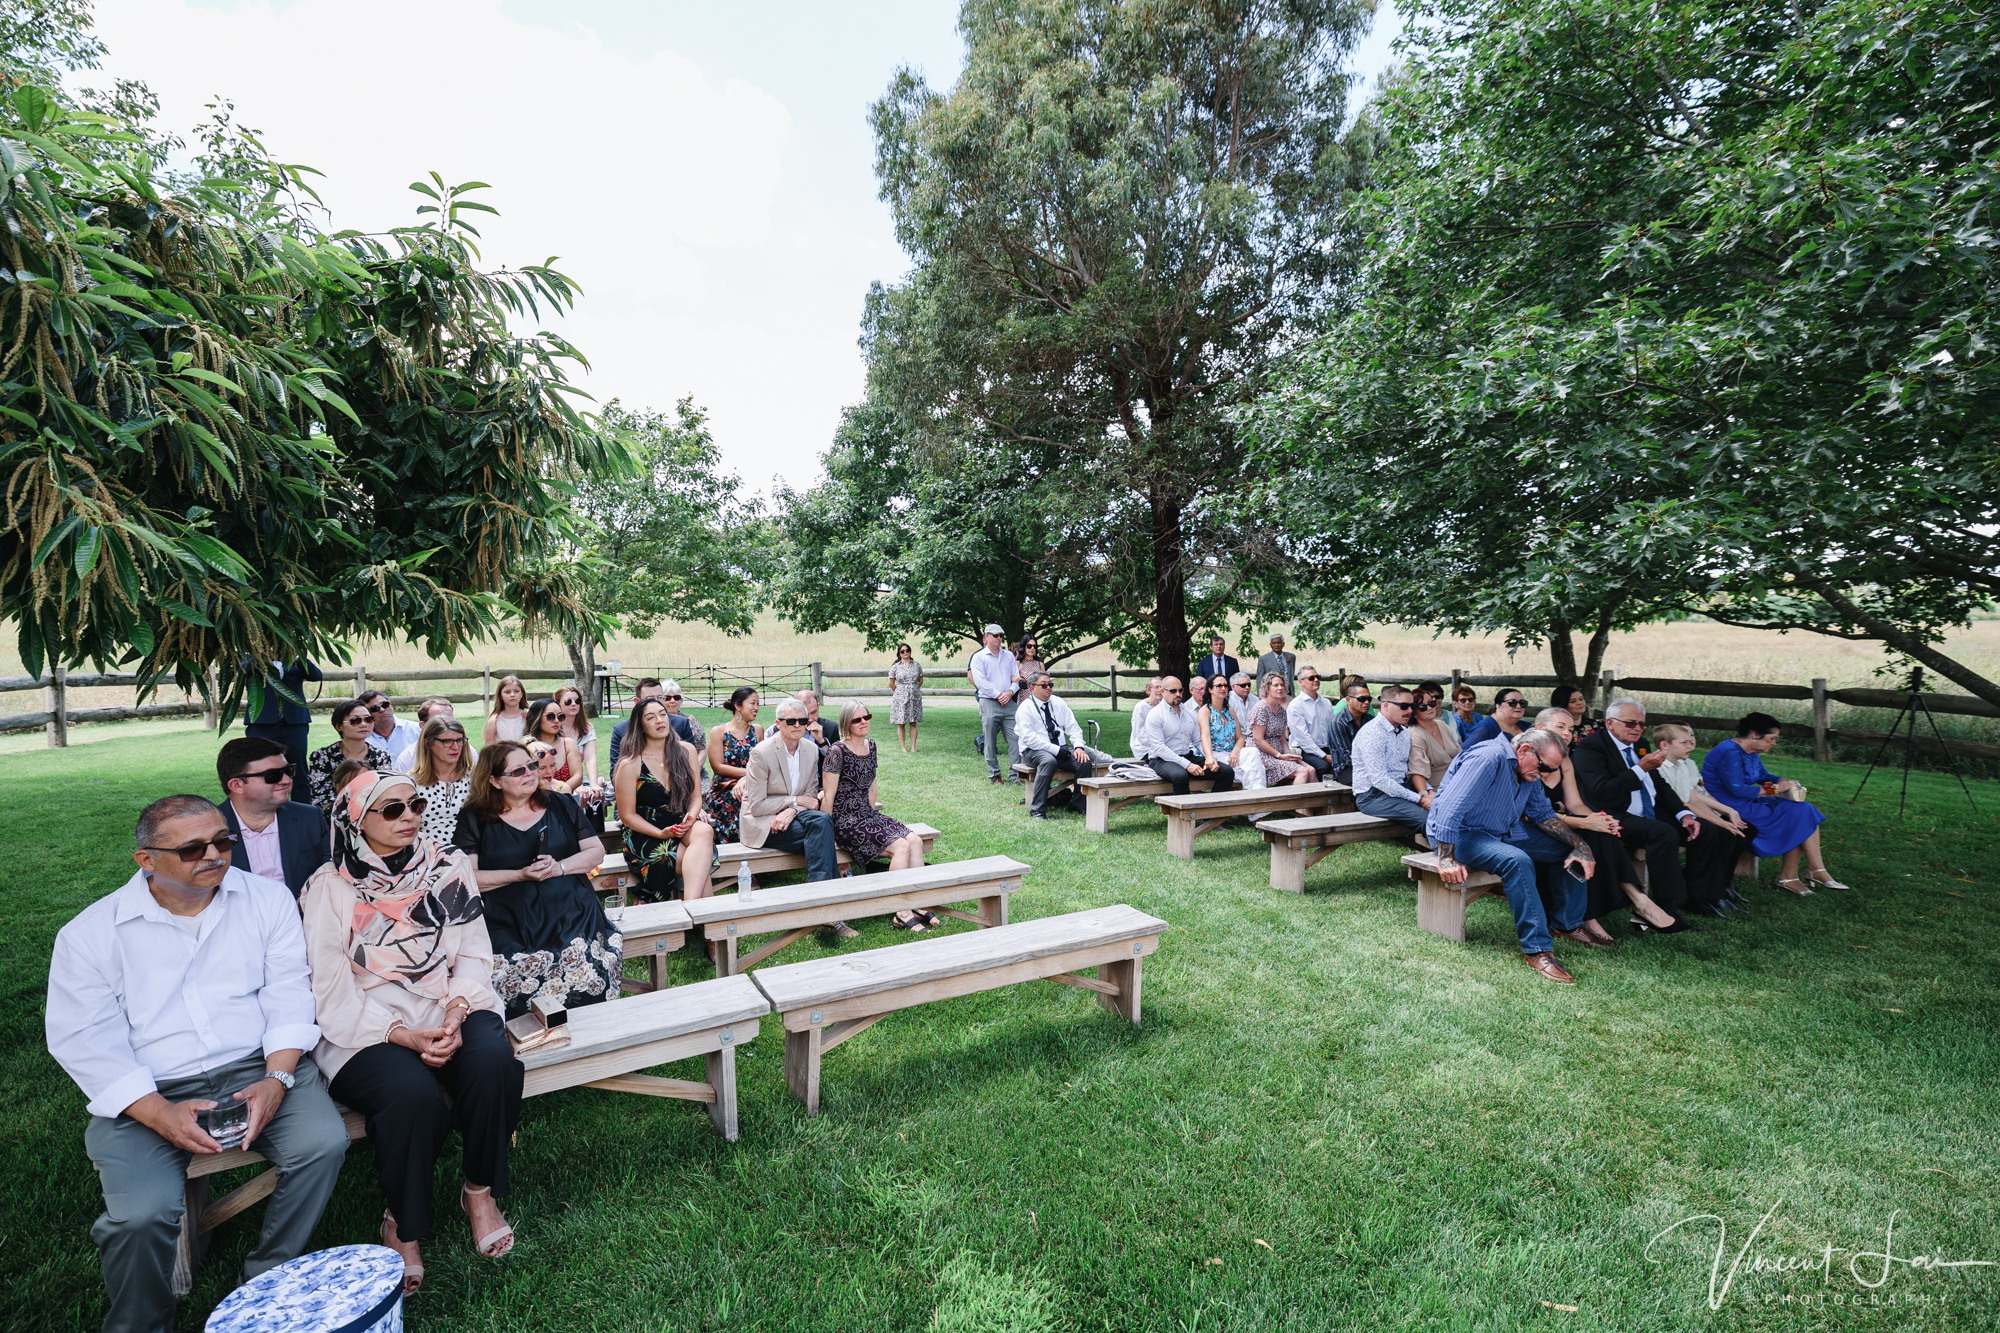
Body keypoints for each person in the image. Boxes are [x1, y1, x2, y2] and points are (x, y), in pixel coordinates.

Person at [47, 795, 349, 1332]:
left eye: (222, 840)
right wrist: (159, 1113)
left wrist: (277, 1079)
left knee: (322, 1143)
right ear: (147, 860)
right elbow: (84, 1040)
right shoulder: (90, 935)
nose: (213, 854)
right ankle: (142, 1324)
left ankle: (263, 1276)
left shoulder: (266, 898)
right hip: (146, 1089)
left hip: (259, 1064)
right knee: (141, 1215)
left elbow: (288, 992)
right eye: (192, 848)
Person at [301, 772, 521, 1291]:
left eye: (415, 804)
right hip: (364, 1025)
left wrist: (457, 1008)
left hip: (449, 1003)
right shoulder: (329, 889)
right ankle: (402, 1218)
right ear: (355, 820)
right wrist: (403, 1034)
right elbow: (331, 993)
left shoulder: (447, 867)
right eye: (392, 810)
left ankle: (479, 1191)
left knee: (495, 1064)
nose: (410, 817)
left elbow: (473, 950)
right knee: (412, 1096)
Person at [453, 740, 617, 1017]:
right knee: (508, 974)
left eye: (531, 766)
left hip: (569, 906)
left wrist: (559, 867)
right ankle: (526, 1042)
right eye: (517, 771)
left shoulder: (561, 803)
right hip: (506, 915)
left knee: (582, 966)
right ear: (494, 781)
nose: (530, 773)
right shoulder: (474, 818)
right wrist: (520, 875)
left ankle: (591, 1037)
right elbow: (469, 879)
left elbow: (595, 852)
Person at [1426, 730, 1597, 984]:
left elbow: (1541, 813)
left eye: (1552, 769)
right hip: (1460, 834)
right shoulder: (1487, 758)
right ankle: (1537, 950)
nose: (1546, 774)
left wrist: (1580, 844)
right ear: (1525, 749)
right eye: (1544, 767)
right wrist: (1447, 858)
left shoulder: (1528, 770)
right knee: (1516, 860)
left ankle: (1567, 924)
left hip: (1499, 831)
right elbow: (1450, 810)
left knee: (1566, 849)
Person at [1533, 708, 1686, 938]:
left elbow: (1575, 804)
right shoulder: (1527, 758)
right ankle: (1628, 905)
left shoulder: (1564, 759)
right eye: (1560, 727)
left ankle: (1622, 906)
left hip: (1561, 819)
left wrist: (1600, 819)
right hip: (1535, 826)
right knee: (1592, 835)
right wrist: (1586, 823)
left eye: (1571, 729)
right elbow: (1532, 814)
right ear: (1539, 729)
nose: (1567, 733)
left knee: (1604, 831)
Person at [1572, 697, 1712, 919]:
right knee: (1662, 833)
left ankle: (1702, 898)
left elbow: (1659, 784)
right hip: (1614, 814)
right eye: (1630, 723)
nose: (1637, 729)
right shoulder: (1590, 748)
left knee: (1704, 828)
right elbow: (1601, 790)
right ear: (1610, 723)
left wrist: (1684, 813)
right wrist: (1640, 769)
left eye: (1641, 724)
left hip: (1650, 811)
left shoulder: (1641, 744)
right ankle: (1666, 907)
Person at [1702, 712, 1848, 894]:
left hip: (1748, 801)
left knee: (1802, 809)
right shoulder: (1730, 752)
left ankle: (1807, 872)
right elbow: (1737, 789)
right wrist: (1776, 789)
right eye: (1771, 738)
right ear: (1755, 735)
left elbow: (1763, 776)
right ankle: (1802, 874)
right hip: (1728, 807)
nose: (1774, 743)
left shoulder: (1749, 750)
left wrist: (1784, 781)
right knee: (1797, 816)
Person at [820, 702, 930, 929]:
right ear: (845, 723)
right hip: (845, 821)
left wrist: (870, 815)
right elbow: (828, 797)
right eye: (857, 719)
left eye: (866, 717)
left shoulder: (871, 746)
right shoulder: (836, 752)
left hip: (866, 815)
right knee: (901, 847)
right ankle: (901, 911)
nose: (864, 722)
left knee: (915, 841)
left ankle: (919, 903)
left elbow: (872, 786)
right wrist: (827, 832)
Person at [615, 695, 716, 902]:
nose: (660, 721)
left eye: (663, 715)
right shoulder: (630, 764)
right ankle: (704, 923)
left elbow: (695, 798)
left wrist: (690, 820)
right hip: (646, 832)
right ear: (641, 726)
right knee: (699, 864)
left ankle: (690, 909)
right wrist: (659, 834)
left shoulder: (686, 750)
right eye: (651, 717)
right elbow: (627, 816)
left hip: (679, 823)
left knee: (704, 830)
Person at [740, 698, 843, 894]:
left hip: (797, 815)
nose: (798, 725)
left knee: (822, 822)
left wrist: (793, 809)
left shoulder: (811, 749)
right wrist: (796, 801)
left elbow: (811, 795)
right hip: (762, 821)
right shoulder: (761, 753)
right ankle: (826, 896)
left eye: (803, 721)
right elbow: (757, 806)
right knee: (822, 829)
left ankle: (821, 895)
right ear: (778, 724)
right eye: (791, 721)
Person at [1651, 723, 1755, 914]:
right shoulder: (1658, 768)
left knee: (1733, 832)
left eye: (1691, 740)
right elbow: (1680, 802)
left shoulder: (1681, 764)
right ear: (1665, 745)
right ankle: (1702, 898)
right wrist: (1720, 822)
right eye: (1684, 742)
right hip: (1667, 816)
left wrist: (1727, 812)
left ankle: (1718, 889)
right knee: (1716, 832)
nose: (1691, 745)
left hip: (1685, 813)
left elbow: (1693, 796)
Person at [217, 735, 331, 899]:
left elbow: (330, 874)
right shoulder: (208, 830)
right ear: (237, 785)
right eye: (273, 775)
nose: (286, 780)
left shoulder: (309, 818)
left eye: (288, 771)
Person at [1016, 673, 1114, 818]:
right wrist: (1056, 750)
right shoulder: (1025, 708)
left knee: (1083, 760)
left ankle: (1078, 805)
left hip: (1061, 747)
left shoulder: (1058, 702)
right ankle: (1037, 809)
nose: (1048, 688)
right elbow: (1030, 739)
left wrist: (1079, 747)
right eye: (1043, 685)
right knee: (1049, 761)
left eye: (1050, 684)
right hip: (1034, 750)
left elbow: (1073, 727)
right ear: (1032, 688)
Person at [1348, 686, 1432, 837]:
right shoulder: (1372, 733)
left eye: (1411, 706)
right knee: (1429, 820)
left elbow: (1408, 770)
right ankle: (1447, 857)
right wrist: (1420, 799)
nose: (1410, 711)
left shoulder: (1404, 732)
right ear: (1385, 705)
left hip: (1400, 788)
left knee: (1446, 809)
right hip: (1373, 796)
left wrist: (1429, 792)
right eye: (1404, 706)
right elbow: (1380, 781)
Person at [1140, 676, 1237, 797]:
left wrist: (1209, 758)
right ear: (1162, 691)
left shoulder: (1189, 713)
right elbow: (1159, 748)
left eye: (1180, 690)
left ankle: (1211, 810)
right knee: (1180, 776)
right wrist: (1187, 765)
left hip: (1186, 756)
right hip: (1161, 759)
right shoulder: (1155, 714)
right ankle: (1186, 815)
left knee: (1226, 771)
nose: (1178, 694)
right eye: (1173, 691)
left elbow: (1197, 740)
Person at [244, 657, 322, 783]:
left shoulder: (294, 659)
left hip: (294, 723)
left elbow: (315, 675)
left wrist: (296, 655)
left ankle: (301, 802)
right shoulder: (251, 657)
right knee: (259, 767)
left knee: (299, 770)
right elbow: (242, 670)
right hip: (262, 723)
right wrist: (261, 654)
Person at [1247, 671, 1316, 813]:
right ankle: (1300, 815)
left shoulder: (1282, 710)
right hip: (1261, 755)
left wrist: (1289, 755)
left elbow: (1282, 737)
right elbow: (1258, 740)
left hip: (1279, 753)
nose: (1280, 688)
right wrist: (1279, 756)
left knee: (1311, 770)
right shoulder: (1260, 708)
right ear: (1267, 688)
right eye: (1275, 685)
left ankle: (1317, 812)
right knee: (1302, 772)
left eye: (1282, 685)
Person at [308, 698, 393, 811]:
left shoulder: (381, 756)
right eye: (355, 720)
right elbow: (322, 799)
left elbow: (385, 792)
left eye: (368, 719)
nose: (363, 724)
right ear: (339, 726)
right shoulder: (321, 757)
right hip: (334, 816)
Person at [704, 686, 762, 842]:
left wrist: (746, 779)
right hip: (725, 786)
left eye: (758, 703)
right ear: (738, 705)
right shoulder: (719, 732)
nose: (756, 708)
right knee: (736, 799)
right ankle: (733, 845)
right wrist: (746, 774)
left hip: (752, 783)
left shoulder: (757, 731)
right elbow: (718, 767)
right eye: (752, 703)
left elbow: (763, 764)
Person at [411, 715, 475, 846]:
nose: (455, 747)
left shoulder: (476, 778)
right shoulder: (411, 783)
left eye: (459, 740)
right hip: (426, 852)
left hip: (470, 851)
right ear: (428, 743)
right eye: (447, 741)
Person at [969, 624, 1021, 783]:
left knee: (1016, 739)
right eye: (995, 635)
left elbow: (1016, 678)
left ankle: (1015, 775)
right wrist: (999, 695)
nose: (999, 638)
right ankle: (995, 775)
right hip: (989, 702)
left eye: (1000, 635)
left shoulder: (1009, 656)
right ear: (986, 637)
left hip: (1009, 703)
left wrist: (1010, 692)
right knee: (990, 741)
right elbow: (981, 682)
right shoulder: (978, 657)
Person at [1406, 684, 1462, 797]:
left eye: (1431, 703)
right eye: (1422, 707)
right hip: (1439, 789)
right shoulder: (1415, 735)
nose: (1430, 708)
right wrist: (1425, 795)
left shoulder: (1442, 726)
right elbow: (1417, 771)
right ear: (1413, 712)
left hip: (1459, 781)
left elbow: (1460, 756)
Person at [524, 698, 587, 796]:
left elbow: (577, 777)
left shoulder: (568, 744)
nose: (556, 721)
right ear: (537, 717)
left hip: (563, 798)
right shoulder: (525, 747)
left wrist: (558, 792)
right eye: (550, 716)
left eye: (560, 716)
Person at [1195, 674, 1247, 790]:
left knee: (1253, 756)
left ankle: (1257, 797)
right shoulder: (1205, 711)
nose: (1223, 689)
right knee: (1245, 770)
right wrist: (1209, 757)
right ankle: (1254, 799)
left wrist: (1236, 750)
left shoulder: (1230, 711)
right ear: (1210, 689)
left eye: (1225, 685)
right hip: (1215, 752)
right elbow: (1205, 736)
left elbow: (1240, 738)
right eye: (1218, 686)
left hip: (1232, 753)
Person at [1285, 667, 1338, 779]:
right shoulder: (1296, 706)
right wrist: (1324, 757)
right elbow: (1303, 739)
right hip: (1304, 749)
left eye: (1317, 677)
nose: (1316, 680)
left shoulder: (1326, 703)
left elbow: (1332, 730)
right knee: (1322, 767)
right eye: (1311, 678)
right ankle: (1320, 795)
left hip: (1325, 747)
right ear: (1301, 682)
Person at [392, 698, 466, 773]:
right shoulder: (407, 760)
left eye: (451, 719)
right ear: (423, 725)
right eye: (438, 721)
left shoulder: (466, 751)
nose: (447, 724)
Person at [552, 685, 601, 793]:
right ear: (557, 703)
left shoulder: (586, 728)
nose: (574, 704)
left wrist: (594, 784)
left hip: (578, 778)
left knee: (592, 794)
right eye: (567, 701)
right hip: (554, 778)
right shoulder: (552, 727)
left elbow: (590, 759)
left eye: (577, 700)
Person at [1326, 678, 1373, 786]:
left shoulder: (1370, 720)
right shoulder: (1338, 722)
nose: (1366, 702)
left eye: (1369, 699)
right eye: (1361, 699)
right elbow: (1348, 756)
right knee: (1372, 783)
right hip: (1346, 769)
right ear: (1348, 699)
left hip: (1370, 766)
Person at [359, 690, 422, 766]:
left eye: (385, 705)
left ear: (391, 705)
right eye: (375, 708)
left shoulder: (416, 730)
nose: (382, 710)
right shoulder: (361, 737)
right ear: (366, 713)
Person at [1459, 688, 1528, 747]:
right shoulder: (1484, 729)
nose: (1519, 706)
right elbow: (1463, 753)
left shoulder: (1526, 726)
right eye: (1512, 702)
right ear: (1498, 706)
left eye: (1522, 703)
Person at [890, 644, 925, 752]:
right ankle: (903, 747)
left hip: (914, 696)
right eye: (902, 651)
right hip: (900, 696)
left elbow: (921, 680)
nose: (905, 652)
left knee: (913, 722)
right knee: (901, 723)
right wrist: (900, 692)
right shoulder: (895, 667)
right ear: (899, 653)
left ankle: (913, 747)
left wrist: (913, 689)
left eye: (907, 650)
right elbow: (891, 683)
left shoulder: (917, 665)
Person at [482, 674, 529, 746]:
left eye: (516, 691)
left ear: (522, 694)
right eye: (507, 692)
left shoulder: (529, 716)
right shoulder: (494, 720)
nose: (512, 695)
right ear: (500, 695)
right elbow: (488, 748)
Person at [1128, 677, 1165, 757]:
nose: (1159, 690)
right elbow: (1140, 733)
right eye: (1156, 687)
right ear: (1148, 690)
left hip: (1160, 745)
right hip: (1143, 748)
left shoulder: (1163, 706)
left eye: (1161, 687)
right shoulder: (1140, 707)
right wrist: (1158, 743)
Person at [1228, 672, 1257, 736]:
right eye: (1243, 685)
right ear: (1233, 686)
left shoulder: (1255, 699)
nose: (1247, 687)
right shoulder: (1228, 700)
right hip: (1235, 736)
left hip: (1254, 736)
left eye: (1249, 685)